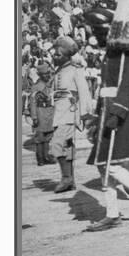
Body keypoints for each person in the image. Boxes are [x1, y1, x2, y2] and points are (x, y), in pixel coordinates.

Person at [85, 51, 129, 232]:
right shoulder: (110, 53)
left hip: (117, 114)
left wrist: (117, 113)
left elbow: (128, 85)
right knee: (103, 165)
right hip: (106, 112)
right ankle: (112, 214)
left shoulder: (125, 52)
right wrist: (97, 116)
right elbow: (105, 88)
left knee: (111, 165)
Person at [49, 36, 94, 193]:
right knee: (67, 146)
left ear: (66, 55)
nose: (55, 57)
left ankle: (66, 178)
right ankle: (70, 180)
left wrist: (85, 114)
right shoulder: (58, 71)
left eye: (58, 54)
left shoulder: (76, 70)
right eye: (54, 54)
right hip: (58, 113)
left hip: (70, 113)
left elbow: (84, 92)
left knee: (56, 144)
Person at [29, 62, 56, 166]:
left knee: (48, 137)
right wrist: (34, 116)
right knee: (40, 138)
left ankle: (46, 157)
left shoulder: (49, 85)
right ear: (40, 75)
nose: (47, 75)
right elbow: (33, 102)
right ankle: (40, 159)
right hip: (40, 113)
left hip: (49, 113)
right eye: (45, 74)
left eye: (48, 74)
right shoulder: (36, 87)